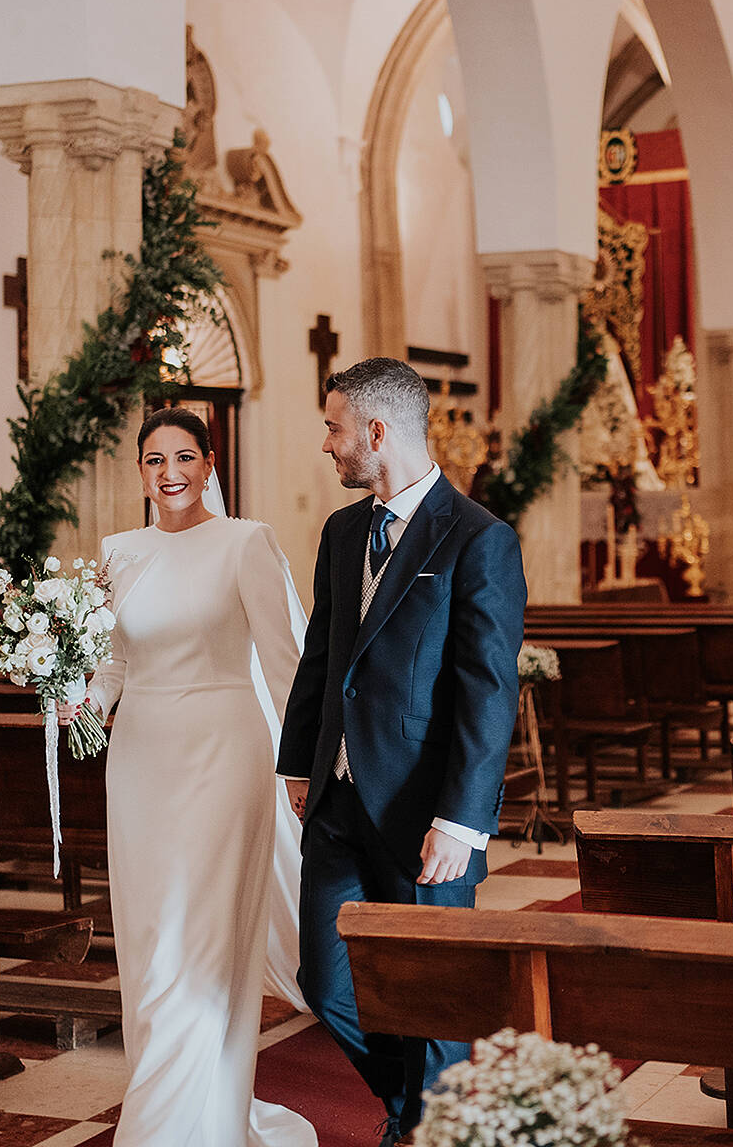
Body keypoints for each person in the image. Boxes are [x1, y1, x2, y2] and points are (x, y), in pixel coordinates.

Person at [278, 357, 525, 1147]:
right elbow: (324, 658)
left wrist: (463, 820)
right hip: (338, 803)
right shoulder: (343, 530)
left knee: (434, 999)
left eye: (334, 427)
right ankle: (419, 1113)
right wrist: (297, 764)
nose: (327, 445)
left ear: (376, 433)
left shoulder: (479, 539)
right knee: (327, 983)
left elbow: (489, 691)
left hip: (427, 815)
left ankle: (430, 1129)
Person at [59, 407, 316, 1147]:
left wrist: (298, 764)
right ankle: (195, 1112)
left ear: (208, 465)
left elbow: (285, 663)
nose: (168, 473)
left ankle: (169, 1128)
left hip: (225, 757)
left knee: (198, 942)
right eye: (152, 460)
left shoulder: (246, 543)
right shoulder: (118, 553)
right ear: (138, 472)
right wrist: (77, 696)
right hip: (141, 762)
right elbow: (115, 665)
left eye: (182, 457)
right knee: (148, 941)